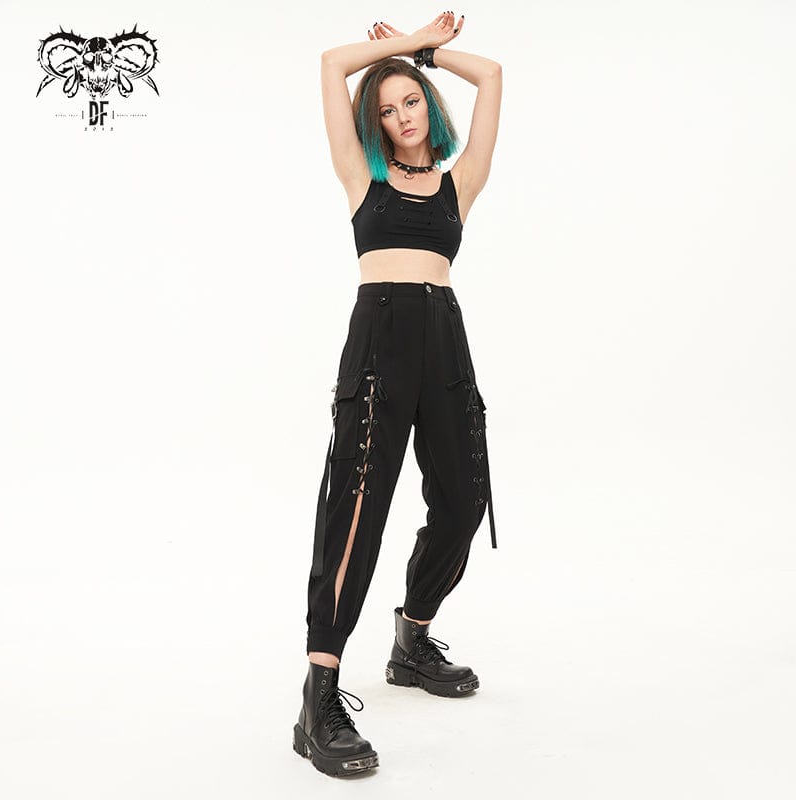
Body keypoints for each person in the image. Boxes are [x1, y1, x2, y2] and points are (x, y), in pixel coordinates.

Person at [292, 11, 502, 777]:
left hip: (444, 341)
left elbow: (492, 76)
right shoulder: (363, 179)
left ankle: (411, 638)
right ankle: (318, 697)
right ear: (372, 124)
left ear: (428, 105)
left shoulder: (458, 183)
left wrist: (428, 57)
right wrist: (402, 45)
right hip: (379, 345)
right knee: (355, 513)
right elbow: (330, 64)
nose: (402, 116)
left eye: (410, 100)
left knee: (463, 501)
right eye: (385, 109)